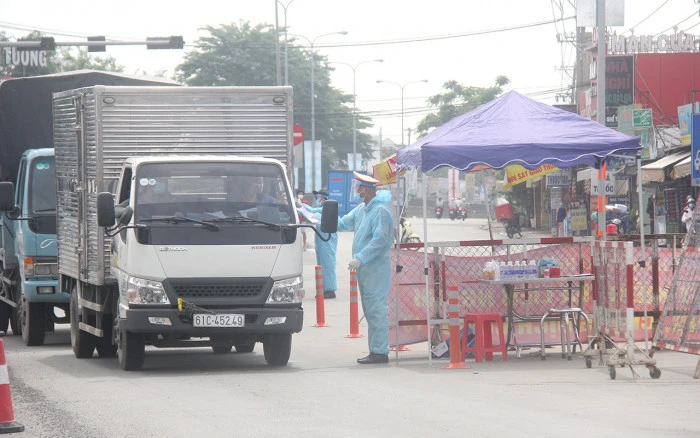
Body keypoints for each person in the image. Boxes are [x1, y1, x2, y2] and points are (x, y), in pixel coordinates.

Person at [338, 171, 393, 364]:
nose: (356, 190)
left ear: (367, 190)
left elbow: (381, 240)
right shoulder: (362, 209)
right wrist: (318, 220)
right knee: (370, 309)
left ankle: (380, 352)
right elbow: (343, 223)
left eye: (359, 187)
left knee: (376, 309)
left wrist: (360, 257)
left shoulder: (380, 212)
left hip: (376, 269)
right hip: (365, 270)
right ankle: (375, 350)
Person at [300, 190, 338, 299]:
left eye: (318, 197)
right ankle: (325, 289)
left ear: (323, 198)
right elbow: (312, 211)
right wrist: (301, 206)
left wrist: (302, 207)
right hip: (322, 243)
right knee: (322, 266)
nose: (317, 199)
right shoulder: (323, 209)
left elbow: (313, 213)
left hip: (327, 243)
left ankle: (330, 290)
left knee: (328, 266)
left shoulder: (326, 210)